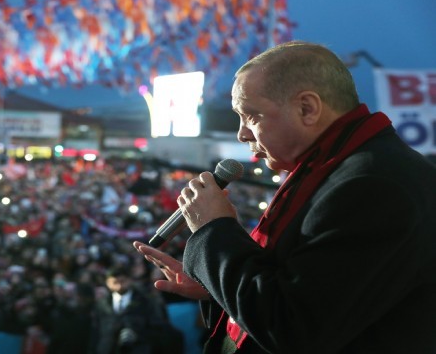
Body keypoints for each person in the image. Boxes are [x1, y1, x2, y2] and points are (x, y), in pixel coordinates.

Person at [133, 40, 436, 353]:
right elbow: (304, 288)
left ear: (307, 108)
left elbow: (291, 326)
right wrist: (216, 283)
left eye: (251, 116)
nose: (242, 134)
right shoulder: (339, 166)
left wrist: (214, 230)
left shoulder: (373, 184)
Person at [90, 266, 183, 354]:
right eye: (115, 282)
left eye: (122, 281)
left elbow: (159, 327)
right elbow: (96, 331)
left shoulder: (146, 301)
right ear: (108, 283)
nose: (119, 286)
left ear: (129, 280)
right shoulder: (101, 305)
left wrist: (137, 333)